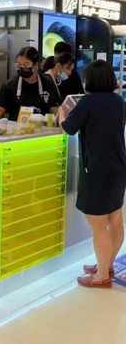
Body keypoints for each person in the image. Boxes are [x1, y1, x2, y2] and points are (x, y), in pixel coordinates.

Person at [58, 60, 126, 288]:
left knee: (98, 225)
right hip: (118, 167)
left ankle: (101, 276)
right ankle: (107, 265)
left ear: (90, 80)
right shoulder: (118, 101)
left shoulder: (87, 102)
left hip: (96, 170)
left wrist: (62, 114)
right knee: (115, 219)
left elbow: (69, 128)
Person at [0, 46, 60, 121]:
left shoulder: (47, 82)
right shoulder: (9, 85)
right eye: (19, 64)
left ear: (36, 65)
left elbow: (54, 107)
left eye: (26, 64)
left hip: (41, 126)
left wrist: (59, 118)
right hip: (16, 127)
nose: (22, 67)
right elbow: (1, 108)